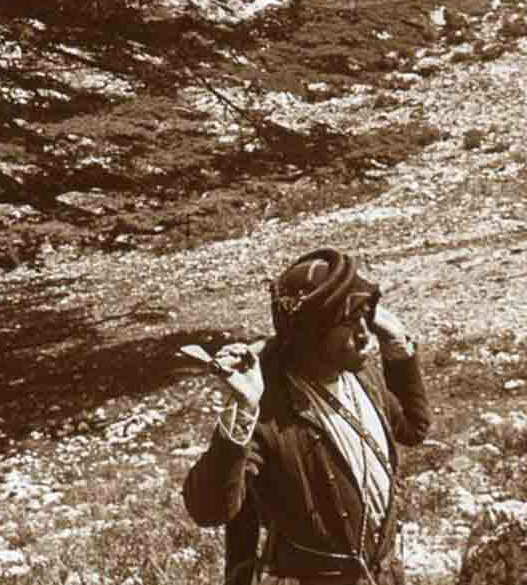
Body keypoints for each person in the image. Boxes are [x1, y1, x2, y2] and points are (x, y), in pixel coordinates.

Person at [182, 248, 431, 585]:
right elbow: (207, 509)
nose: (364, 333)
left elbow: (413, 428)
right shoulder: (270, 413)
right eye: (348, 321)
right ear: (311, 334)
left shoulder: (361, 377)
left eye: (366, 316)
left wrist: (397, 342)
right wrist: (242, 409)